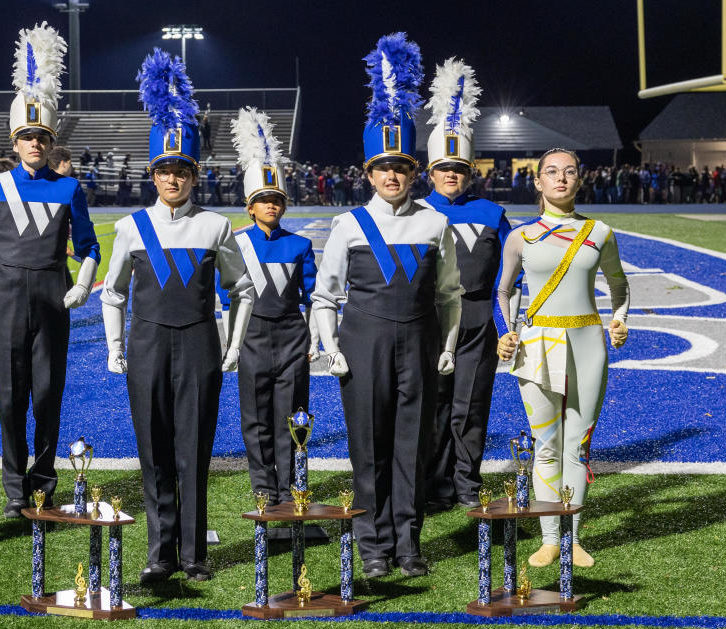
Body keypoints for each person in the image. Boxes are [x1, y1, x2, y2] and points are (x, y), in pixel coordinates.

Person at [312, 34, 462, 579]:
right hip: (363, 345)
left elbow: (449, 294)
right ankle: (373, 544)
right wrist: (330, 348)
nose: (392, 176)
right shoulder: (348, 225)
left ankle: (409, 542)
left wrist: (446, 347)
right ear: (368, 173)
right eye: (382, 167)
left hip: (419, 345)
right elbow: (325, 295)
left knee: (413, 447)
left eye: (401, 166)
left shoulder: (434, 222)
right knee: (368, 450)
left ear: (413, 169)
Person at [101, 49, 254, 583]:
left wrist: (232, 345)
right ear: (152, 173)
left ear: (194, 174)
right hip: (145, 345)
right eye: (164, 169)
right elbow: (112, 292)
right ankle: (158, 553)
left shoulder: (215, 226)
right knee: (154, 453)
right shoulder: (129, 227)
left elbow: (243, 288)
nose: (172, 178)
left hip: (198, 346)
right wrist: (114, 347)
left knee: (194, 451)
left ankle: (194, 555)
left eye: (181, 170)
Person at [0, 23, 100, 518]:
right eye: (27, 136)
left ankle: (43, 483)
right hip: (1, 299)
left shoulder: (69, 190)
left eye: (42, 137)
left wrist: (82, 284)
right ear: (15, 140)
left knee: (46, 396)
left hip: (51, 297)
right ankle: (13, 491)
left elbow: (89, 246)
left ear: (50, 140)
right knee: (8, 398)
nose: (35, 144)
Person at [495, 147, 629, 569]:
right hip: (537, 345)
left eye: (569, 172)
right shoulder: (520, 236)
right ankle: (550, 538)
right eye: (551, 172)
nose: (561, 178)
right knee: (546, 445)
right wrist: (506, 331)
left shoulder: (600, 232)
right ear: (537, 182)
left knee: (579, 447)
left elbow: (620, 286)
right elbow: (502, 291)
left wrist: (619, 320)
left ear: (579, 179)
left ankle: (571, 538)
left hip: (589, 343)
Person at [421, 59, 518, 512]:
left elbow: (511, 274)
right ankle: (432, 483)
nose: (451, 175)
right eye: (444, 168)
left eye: (459, 168)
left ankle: (465, 482)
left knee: (470, 403)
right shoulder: (415, 213)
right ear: (431, 171)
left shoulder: (493, 214)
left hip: (478, 317)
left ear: (469, 170)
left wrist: (508, 322)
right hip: (430, 318)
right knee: (432, 404)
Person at [223, 107, 318, 505]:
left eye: (276, 199)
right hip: (252, 337)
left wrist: (313, 339)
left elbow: (312, 297)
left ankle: (290, 485)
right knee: (255, 417)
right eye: (263, 200)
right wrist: (229, 343)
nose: (271, 205)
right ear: (250, 205)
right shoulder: (234, 241)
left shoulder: (300, 245)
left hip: (291, 336)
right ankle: (263, 485)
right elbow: (225, 298)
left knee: (291, 417)